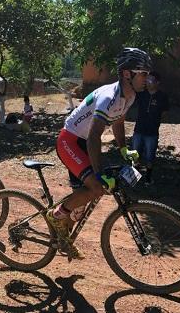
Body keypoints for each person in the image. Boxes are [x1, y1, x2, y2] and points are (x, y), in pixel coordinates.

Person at [45, 47, 151, 260]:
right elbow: (95, 136)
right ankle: (55, 216)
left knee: (81, 203)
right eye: (143, 73)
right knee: (96, 187)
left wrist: (123, 148)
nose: (146, 78)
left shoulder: (129, 96)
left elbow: (118, 122)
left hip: (84, 143)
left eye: (147, 74)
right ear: (127, 74)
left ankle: (61, 238)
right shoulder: (108, 97)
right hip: (70, 141)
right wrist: (99, 172)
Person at [131, 71, 169, 184]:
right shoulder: (141, 94)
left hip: (152, 131)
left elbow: (165, 114)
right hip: (139, 129)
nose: (148, 82)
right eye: (147, 80)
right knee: (134, 153)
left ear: (157, 82)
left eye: (151, 80)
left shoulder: (162, 96)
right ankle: (134, 176)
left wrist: (156, 119)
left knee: (150, 155)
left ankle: (148, 176)